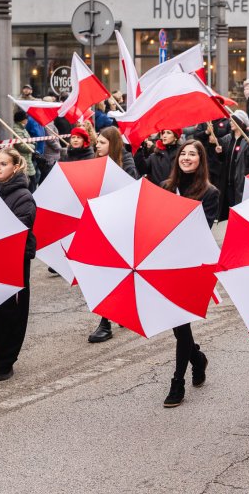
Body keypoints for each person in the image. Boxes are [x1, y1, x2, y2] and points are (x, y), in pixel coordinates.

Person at [160, 140, 217, 407]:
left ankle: (177, 382)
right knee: (178, 328)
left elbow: (202, 229)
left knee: (182, 326)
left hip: (191, 266)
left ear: (200, 160)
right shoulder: (166, 187)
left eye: (192, 154)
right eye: (183, 153)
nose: (186, 157)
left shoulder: (209, 192)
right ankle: (197, 358)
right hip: (165, 264)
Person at [0, 148, 36, 381]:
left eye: (4, 163)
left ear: (16, 167)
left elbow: (20, 229)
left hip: (14, 259)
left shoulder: (24, 197)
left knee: (11, 312)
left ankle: (4, 360)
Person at [87, 127, 139, 343]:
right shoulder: (95, 163)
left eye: (101, 142)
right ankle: (111, 317)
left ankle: (106, 322)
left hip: (120, 227)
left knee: (117, 274)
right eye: (97, 141)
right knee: (103, 274)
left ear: (113, 144)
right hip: (99, 225)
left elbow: (131, 194)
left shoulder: (126, 164)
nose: (96, 145)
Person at [11, 110, 38, 193]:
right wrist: (33, 146)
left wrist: (32, 143)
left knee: (33, 182)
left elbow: (30, 140)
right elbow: (21, 146)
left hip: (28, 159)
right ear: (21, 119)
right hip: (23, 159)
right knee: (30, 185)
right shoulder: (16, 129)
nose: (27, 120)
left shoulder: (23, 129)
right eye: (26, 118)